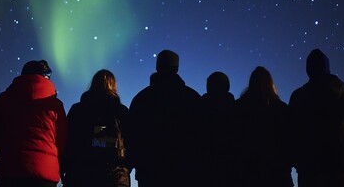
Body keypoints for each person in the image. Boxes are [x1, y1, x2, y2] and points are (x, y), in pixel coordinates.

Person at [289, 49, 344, 187]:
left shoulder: (298, 97)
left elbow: (291, 134)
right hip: (343, 172)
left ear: (308, 69)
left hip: (310, 173)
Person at [128, 49, 202, 187]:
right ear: (177, 68)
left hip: (149, 172)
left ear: (157, 67)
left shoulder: (141, 99)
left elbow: (132, 136)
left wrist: (131, 165)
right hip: (185, 171)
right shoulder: (192, 98)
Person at [0, 60, 67, 187]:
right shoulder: (56, 105)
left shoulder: (5, 98)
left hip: (8, 169)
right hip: (44, 172)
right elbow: (61, 140)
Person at [61, 69, 130, 187]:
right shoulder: (121, 111)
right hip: (115, 174)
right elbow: (132, 142)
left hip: (80, 173)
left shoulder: (77, 110)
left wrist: (65, 167)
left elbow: (67, 141)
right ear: (113, 85)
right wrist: (126, 167)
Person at [235, 66, 294, 187]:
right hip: (278, 174)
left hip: (247, 173)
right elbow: (290, 140)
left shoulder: (239, 107)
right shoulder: (281, 109)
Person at [200, 72, 236, 186]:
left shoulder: (197, 108)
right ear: (227, 87)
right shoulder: (237, 110)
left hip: (203, 167)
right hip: (230, 168)